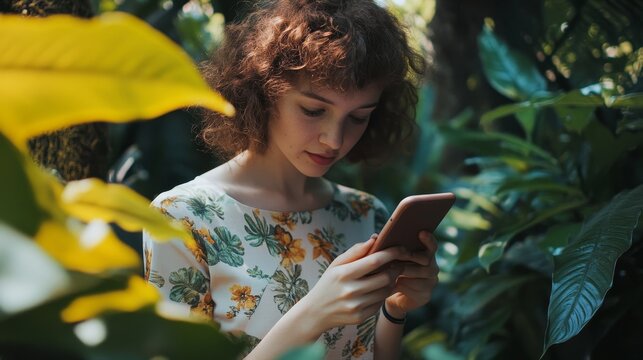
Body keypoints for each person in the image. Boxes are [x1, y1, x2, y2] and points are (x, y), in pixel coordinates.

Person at [142, 1, 437, 359]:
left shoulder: (365, 214)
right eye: (313, 110)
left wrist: (395, 308)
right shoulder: (183, 217)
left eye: (359, 117)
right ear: (264, 91)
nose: (335, 139)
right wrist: (313, 315)